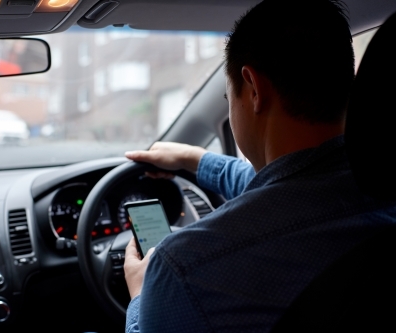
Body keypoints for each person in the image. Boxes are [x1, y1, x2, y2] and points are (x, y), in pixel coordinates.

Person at [122, 0, 396, 332]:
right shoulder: (378, 185)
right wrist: (195, 159)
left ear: (253, 89)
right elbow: (290, 187)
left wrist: (140, 294)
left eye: (227, 99)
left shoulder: (186, 268)